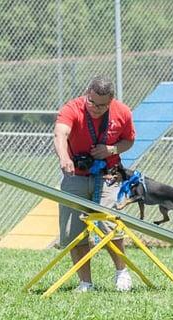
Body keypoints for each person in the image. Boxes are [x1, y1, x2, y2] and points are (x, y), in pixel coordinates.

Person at [53, 76, 136, 292]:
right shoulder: (72, 108)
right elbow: (60, 134)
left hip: (108, 175)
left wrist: (111, 150)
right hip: (75, 177)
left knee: (109, 224)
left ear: (111, 100)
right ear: (87, 93)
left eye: (102, 105)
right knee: (73, 230)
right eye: (92, 102)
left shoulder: (123, 112)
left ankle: (122, 273)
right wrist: (64, 158)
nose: (96, 109)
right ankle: (85, 283)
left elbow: (129, 140)